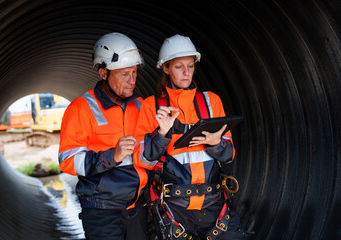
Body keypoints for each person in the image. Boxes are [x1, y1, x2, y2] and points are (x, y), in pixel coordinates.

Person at [133, 34, 247, 239]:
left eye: (191, 65)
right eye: (179, 67)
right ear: (166, 68)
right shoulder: (152, 106)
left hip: (213, 206)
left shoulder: (211, 101)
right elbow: (143, 161)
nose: (187, 73)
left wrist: (216, 144)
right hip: (174, 210)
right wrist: (161, 134)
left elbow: (229, 155)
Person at [58, 32, 149, 240]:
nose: (132, 80)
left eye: (134, 72)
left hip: (136, 206)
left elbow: (148, 153)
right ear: (103, 73)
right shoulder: (81, 108)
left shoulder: (139, 105)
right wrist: (112, 156)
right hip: (102, 210)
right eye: (124, 74)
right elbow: (68, 160)